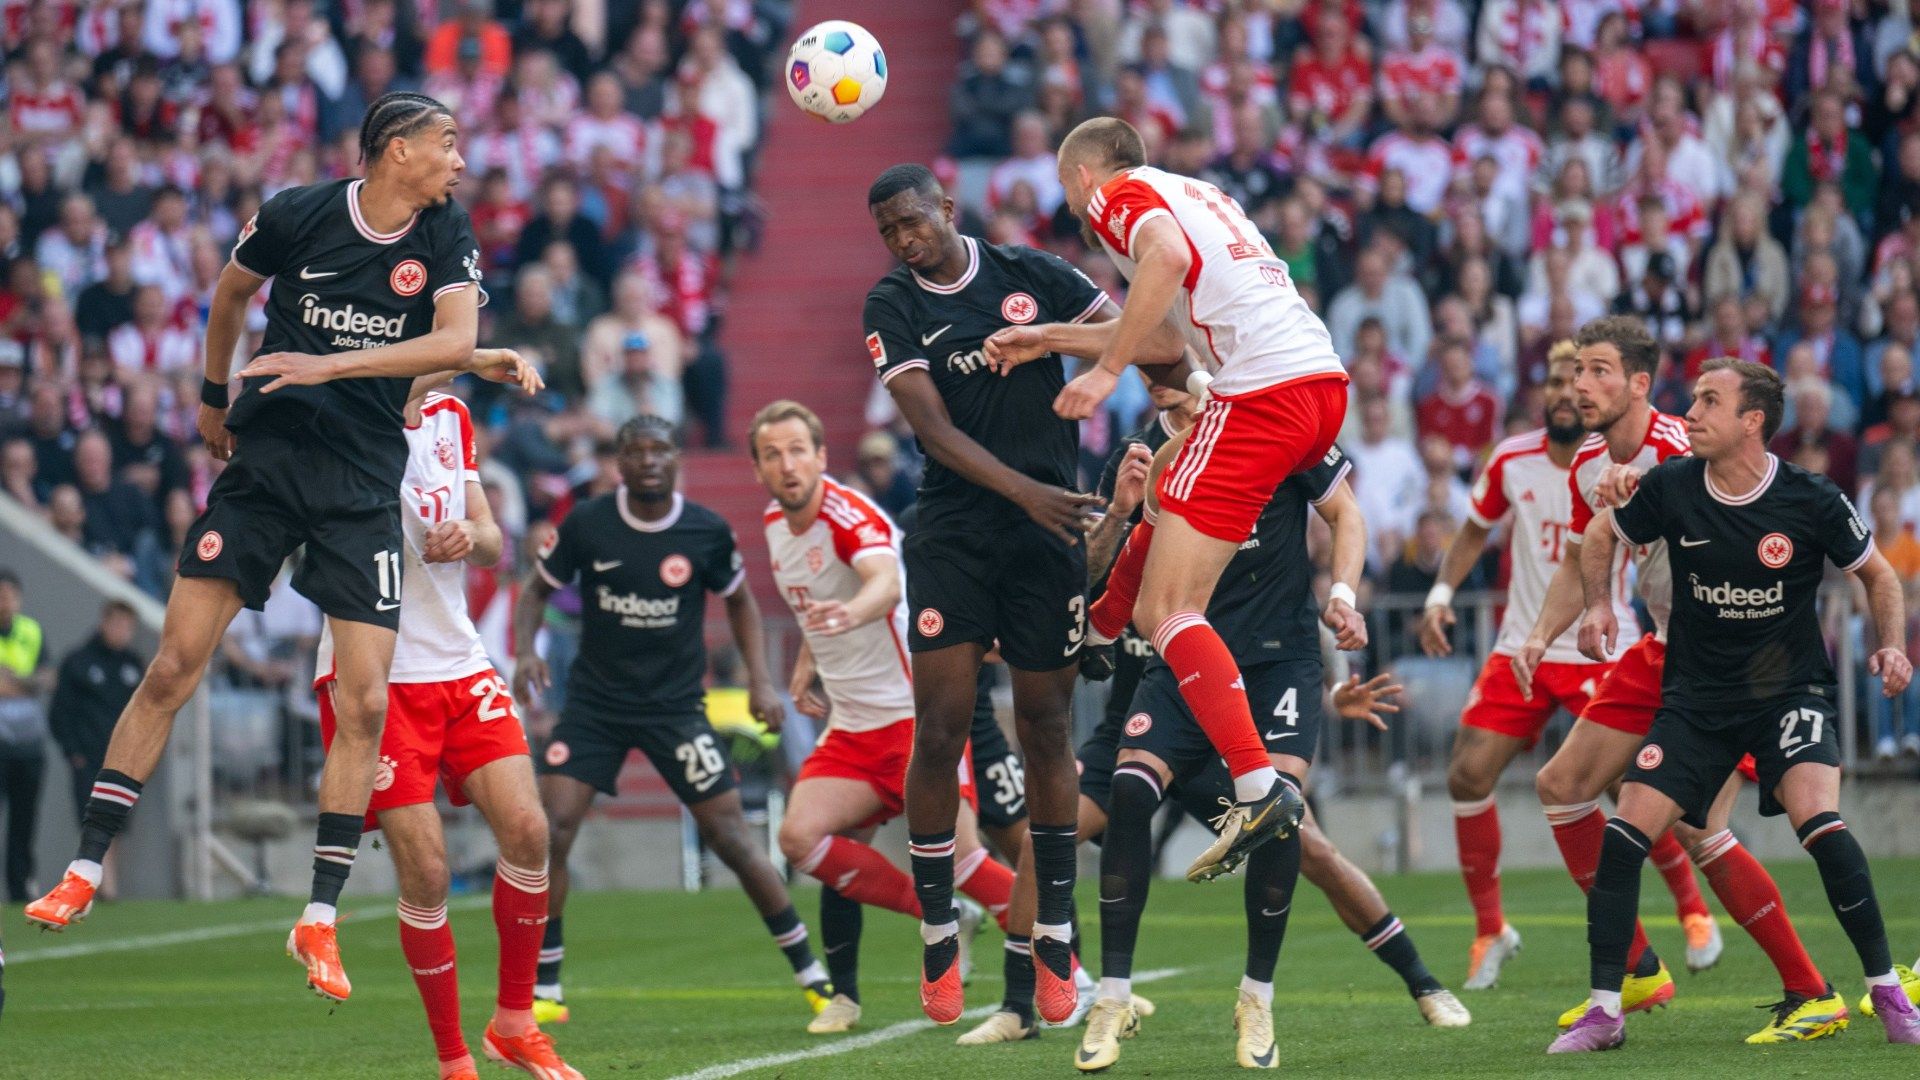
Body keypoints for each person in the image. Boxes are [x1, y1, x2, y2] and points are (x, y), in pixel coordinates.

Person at [25, 92, 529, 1005]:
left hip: (359, 488)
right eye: (447, 144)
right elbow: (228, 294)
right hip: (269, 466)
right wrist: (214, 399)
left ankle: (320, 919)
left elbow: (454, 339)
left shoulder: (445, 231)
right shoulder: (301, 211)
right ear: (395, 149)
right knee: (175, 663)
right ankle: (84, 869)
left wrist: (329, 364)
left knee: (366, 700)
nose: (460, 161)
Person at [986, 116, 1350, 887]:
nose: (1074, 204)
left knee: (1171, 609)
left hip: (1265, 390)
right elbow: (1160, 336)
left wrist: (1103, 371)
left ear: (1083, 176)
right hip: (1317, 381)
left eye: (1066, 187)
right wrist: (1048, 339)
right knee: (1164, 485)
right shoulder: (1198, 193)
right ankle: (1107, 628)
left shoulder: (1119, 194)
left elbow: (1164, 263)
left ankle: (1256, 786)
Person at [1063, 381, 1468, 1070]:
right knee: (1090, 811)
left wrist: (1341, 598)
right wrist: (1119, 522)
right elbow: (1107, 576)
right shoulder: (1152, 461)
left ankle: (1275, 996)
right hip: (1181, 676)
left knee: (1293, 833)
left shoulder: (1273, 424)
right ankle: (1093, 994)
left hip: (1275, 669)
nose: (1168, 391)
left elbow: (1347, 514)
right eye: (1155, 381)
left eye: (1175, 371)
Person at [862, 162, 1178, 1026]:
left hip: (1047, 538)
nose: (903, 240)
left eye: (911, 221)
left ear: (947, 209)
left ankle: (1053, 933)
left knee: (1044, 724)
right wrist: (1027, 493)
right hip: (957, 534)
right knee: (944, 722)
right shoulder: (893, 303)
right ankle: (936, 924)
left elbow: (1151, 338)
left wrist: (1059, 345)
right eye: (888, 231)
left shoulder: (1033, 276)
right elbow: (930, 428)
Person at [1514, 316, 1873, 1043]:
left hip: (1730, 666)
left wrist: (1640, 484)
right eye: (1576, 371)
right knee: (1562, 786)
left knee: (1701, 827)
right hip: (1662, 652)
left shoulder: (1682, 444)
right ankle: (1641, 968)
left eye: (1599, 372)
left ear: (1640, 384)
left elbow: (1712, 491)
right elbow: (1589, 546)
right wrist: (1546, 631)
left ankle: (1811, 989)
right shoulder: (1588, 460)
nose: (1581, 385)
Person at [1419, 344, 1721, 988]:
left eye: (1583, 377)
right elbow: (1475, 532)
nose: (1571, 390)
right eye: (1562, 379)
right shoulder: (1516, 458)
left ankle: (1694, 911)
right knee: (1468, 774)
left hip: (1609, 646)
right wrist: (1441, 597)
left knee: (1633, 793)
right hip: (1527, 641)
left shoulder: (1643, 449)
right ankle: (1490, 929)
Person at [512, 415, 827, 1027]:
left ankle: (813, 977)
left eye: (660, 450)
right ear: (620, 463)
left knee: (733, 839)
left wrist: (760, 680)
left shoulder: (705, 531)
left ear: (676, 458)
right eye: (637, 451)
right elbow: (534, 592)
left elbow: (739, 600)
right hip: (595, 708)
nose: (649, 461)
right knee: (552, 829)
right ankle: (545, 987)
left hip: (676, 709)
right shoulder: (588, 523)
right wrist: (527, 650)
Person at [314, 387, 579, 1079]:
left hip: (458, 661)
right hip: (376, 672)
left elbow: (492, 538)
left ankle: (514, 1023)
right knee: (427, 871)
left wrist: (471, 535)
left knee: (528, 828)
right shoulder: (339, 402)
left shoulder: (451, 415)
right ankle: (453, 1057)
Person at [748, 400, 1017, 1035]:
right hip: (851, 728)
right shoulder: (773, 524)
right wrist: (809, 657)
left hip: (914, 721)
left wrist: (850, 614)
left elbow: (882, 584)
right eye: (772, 455)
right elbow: (819, 595)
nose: (786, 465)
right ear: (759, 468)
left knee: (966, 857)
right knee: (799, 838)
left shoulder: (848, 514)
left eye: (796, 451)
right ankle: (937, 918)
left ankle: (1077, 976)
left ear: (819, 457)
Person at [49, 601, 143, 821]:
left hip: (124, 761)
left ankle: (108, 858)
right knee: (91, 824)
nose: (122, 632)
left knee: (116, 825)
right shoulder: (78, 661)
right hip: (89, 760)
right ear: (104, 623)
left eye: (128, 627)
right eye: (117, 624)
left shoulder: (134, 664)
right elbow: (60, 711)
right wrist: (73, 753)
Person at [0, 570, 50, 903]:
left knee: (24, 823)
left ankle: (20, 890)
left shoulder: (30, 631)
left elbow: (47, 677)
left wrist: (15, 683)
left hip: (28, 743)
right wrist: (24, 683)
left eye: (9, 595)